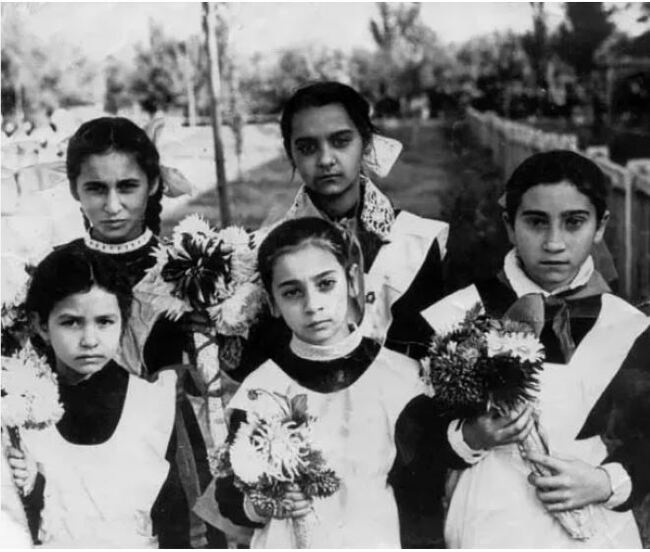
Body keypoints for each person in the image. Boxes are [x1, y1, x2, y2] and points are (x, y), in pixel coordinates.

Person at [421, 150, 650, 547]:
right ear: (510, 224)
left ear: (600, 227)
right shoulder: (461, 313)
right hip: (490, 519)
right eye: (536, 222)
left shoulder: (629, 325)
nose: (554, 243)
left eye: (574, 222)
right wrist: (471, 436)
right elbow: (415, 438)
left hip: (593, 523)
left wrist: (605, 480)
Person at [206, 217, 462, 548]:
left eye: (325, 284)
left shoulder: (403, 379)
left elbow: (424, 497)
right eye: (292, 292)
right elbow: (230, 498)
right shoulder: (262, 390)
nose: (313, 306)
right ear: (271, 301)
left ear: (353, 281)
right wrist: (267, 503)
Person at [57, 116, 223, 547]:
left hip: (174, 448)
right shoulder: (60, 269)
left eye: (126, 186)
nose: (112, 205)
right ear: (75, 189)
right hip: (85, 443)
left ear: (151, 185)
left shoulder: (190, 265)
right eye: (96, 188)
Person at [5, 247, 175, 547]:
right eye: (71, 322)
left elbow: (176, 517)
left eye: (105, 321)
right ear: (41, 325)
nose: (90, 340)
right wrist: (31, 485)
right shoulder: (17, 407)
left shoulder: (153, 403)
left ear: (123, 321)